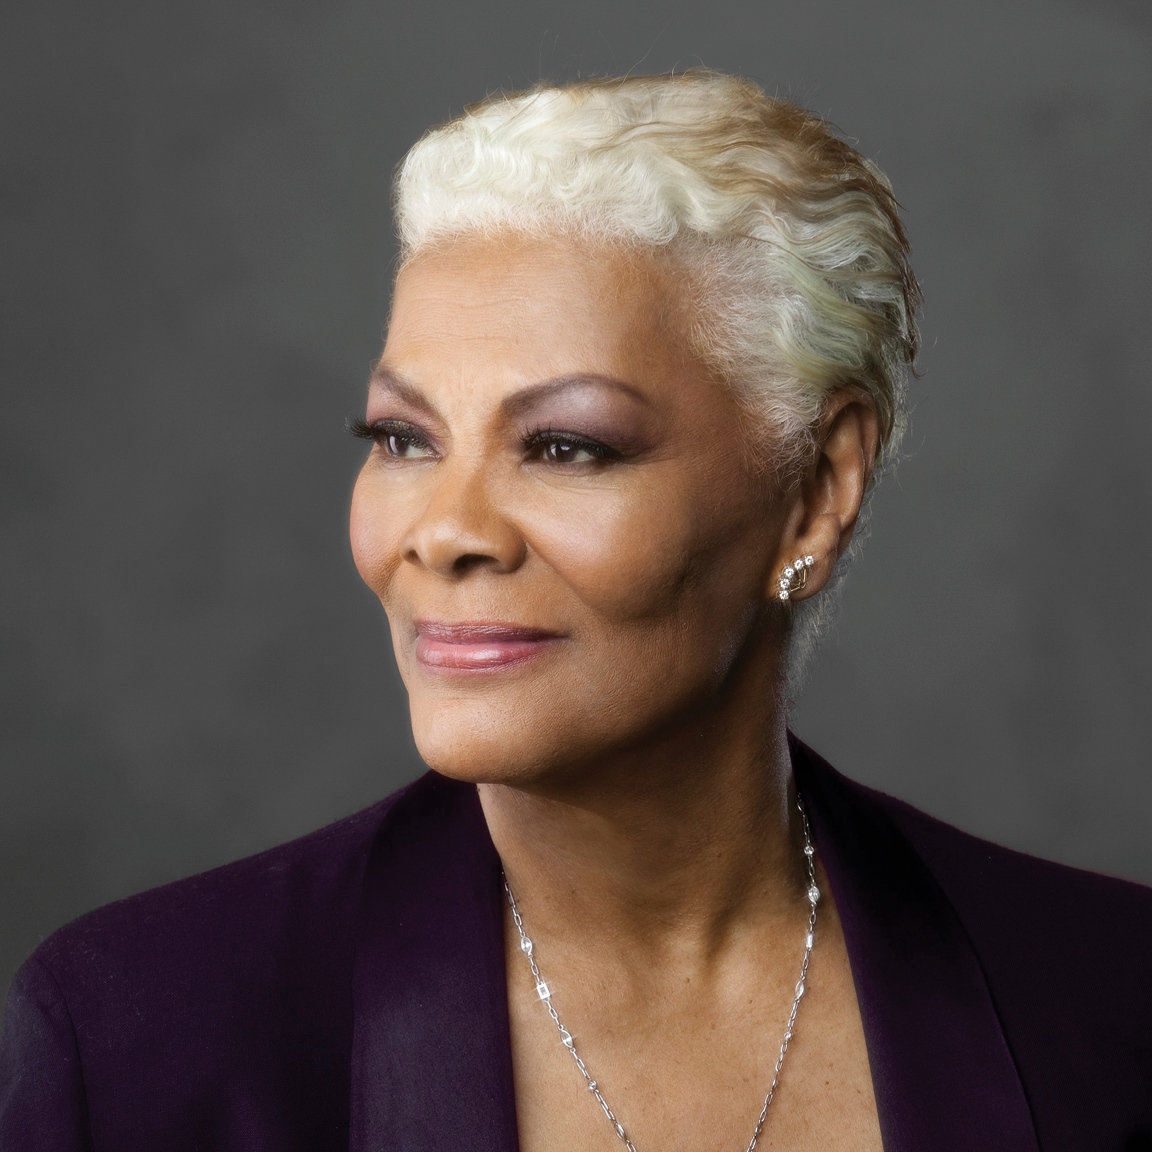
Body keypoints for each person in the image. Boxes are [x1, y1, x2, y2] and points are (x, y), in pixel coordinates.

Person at [1, 69, 1149, 1152]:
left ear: (814, 492)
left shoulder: (1117, 1005)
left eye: (565, 446)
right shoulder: (132, 1047)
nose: (444, 531)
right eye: (404, 439)